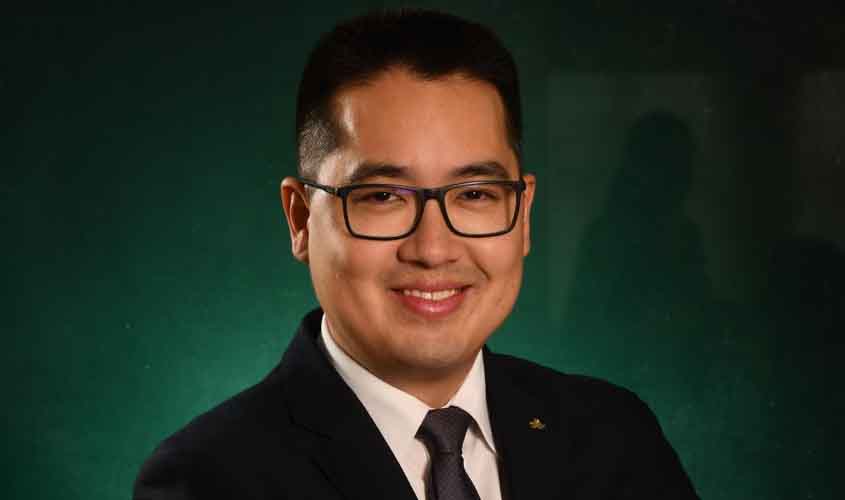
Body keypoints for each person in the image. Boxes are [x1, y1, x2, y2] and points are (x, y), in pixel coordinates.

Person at [133, 9, 699, 500]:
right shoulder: (209, 479)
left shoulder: (614, 437)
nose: (434, 249)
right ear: (301, 219)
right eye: (383, 197)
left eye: (474, 194)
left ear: (523, 214)